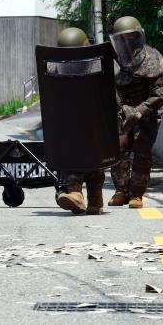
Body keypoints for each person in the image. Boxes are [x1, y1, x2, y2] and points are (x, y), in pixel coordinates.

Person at [108, 16, 163, 209]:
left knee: (142, 149)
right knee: (118, 148)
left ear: (138, 37)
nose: (126, 42)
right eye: (122, 39)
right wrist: (122, 108)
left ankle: (137, 194)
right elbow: (109, 88)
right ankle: (121, 190)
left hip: (147, 112)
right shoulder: (113, 59)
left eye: (130, 37)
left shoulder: (152, 57)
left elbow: (160, 93)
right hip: (122, 111)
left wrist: (140, 110)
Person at [53, 27, 105, 215]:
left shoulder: (102, 68)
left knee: (88, 159)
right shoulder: (56, 72)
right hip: (76, 127)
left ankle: (93, 198)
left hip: (95, 127)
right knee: (73, 155)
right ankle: (77, 195)